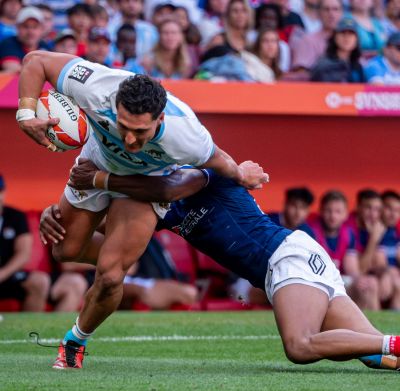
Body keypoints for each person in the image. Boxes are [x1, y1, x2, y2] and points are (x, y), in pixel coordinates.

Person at [17, 50, 268, 369]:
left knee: (109, 276)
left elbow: (221, 161)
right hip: (95, 161)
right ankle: (119, 251)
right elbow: (35, 60)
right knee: (64, 250)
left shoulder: (186, 135)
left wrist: (241, 173)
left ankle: (75, 342)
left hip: (144, 184)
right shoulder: (97, 87)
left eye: (141, 132)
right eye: (124, 127)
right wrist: (26, 115)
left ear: (160, 119)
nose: (130, 139)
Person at [40, 161, 400, 372]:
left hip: (285, 258)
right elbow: (97, 239)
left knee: (300, 345)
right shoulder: (161, 208)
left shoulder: (198, 173)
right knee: (377, 355)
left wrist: (101, 180)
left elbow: (169, 187)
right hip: (302, 260)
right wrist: (56, 217)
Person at [310, 190, 380, 310]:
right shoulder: (311, 232)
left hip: (339, 280)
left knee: (370, 283)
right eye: (328, 211)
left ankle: (374, 325)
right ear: (321, 211)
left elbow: (351, 268)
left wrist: (360, 279)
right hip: (316, 282)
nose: (333, 216)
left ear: (345, 214)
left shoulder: (348, 234)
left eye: (338, 211)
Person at [0, 174, 50, 311]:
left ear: (3, 193)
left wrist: (2, 274)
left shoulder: (16, 217)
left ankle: (31, 330)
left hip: (7, 273)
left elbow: (23, 253)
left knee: (39, 281)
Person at [290, 0, 343, 74]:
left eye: (335, 9)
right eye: (326, 9)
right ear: (319, 13)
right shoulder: (308, 40)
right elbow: (300, 74)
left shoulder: (348, 41)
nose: (331, 14)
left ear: (342, 13)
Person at [310, 18, 366, 83]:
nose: (346, 37)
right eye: (343, 33)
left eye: (351, 34)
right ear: (335, 37)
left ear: (357, 39)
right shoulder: (324, 66)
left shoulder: (358, 66)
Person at [0, 6, 48, 73]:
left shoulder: (44, 45)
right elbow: (13, 69)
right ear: (17, 27)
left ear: (42, 29)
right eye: (26, 26)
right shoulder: (8, 43)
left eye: (35, 27)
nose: (30, 32)